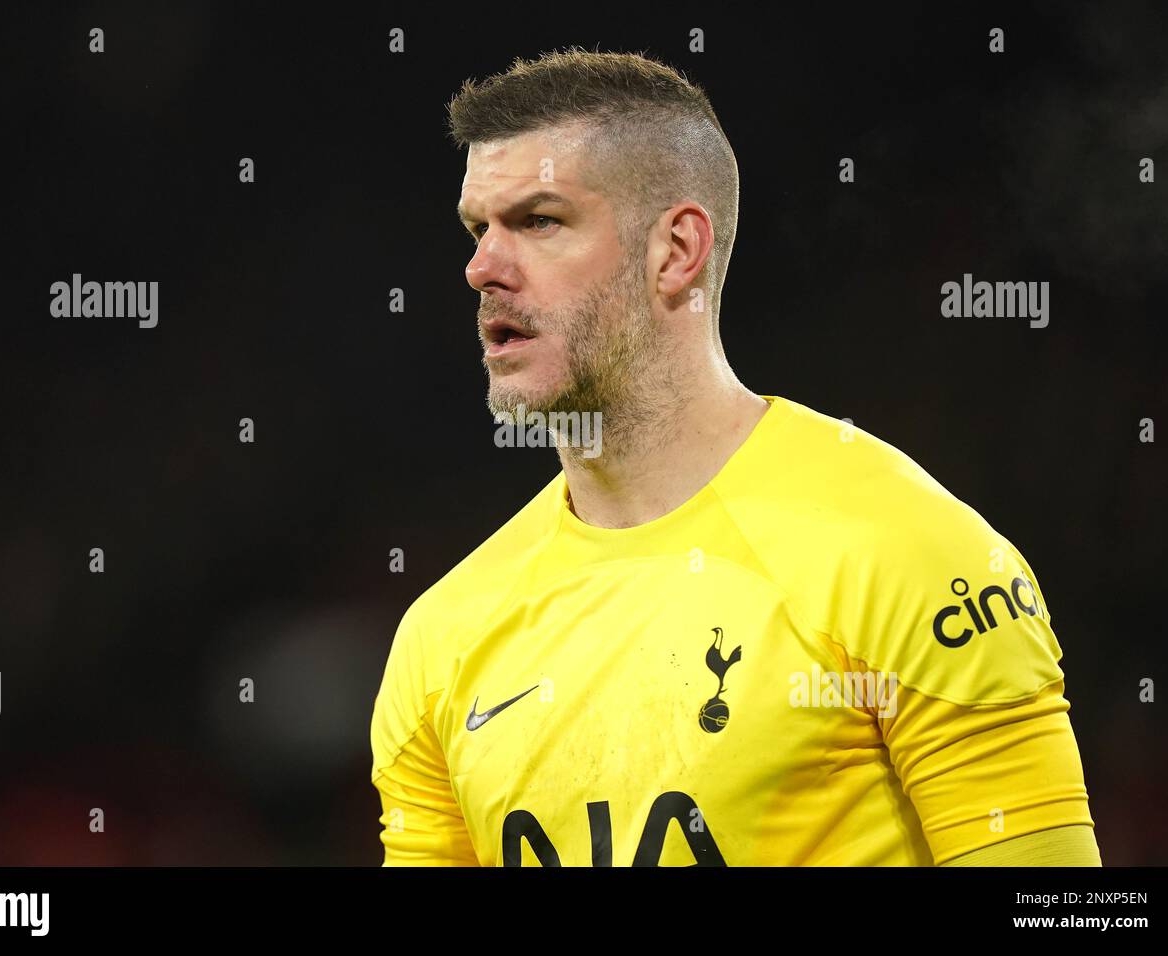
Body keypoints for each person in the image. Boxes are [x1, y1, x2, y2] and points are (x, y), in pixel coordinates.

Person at [369, 48, 1100, 866]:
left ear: (676, 251)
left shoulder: (906, 555)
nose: (481, 269)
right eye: (478, 228)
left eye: (539, 220)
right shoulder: (442, 639)